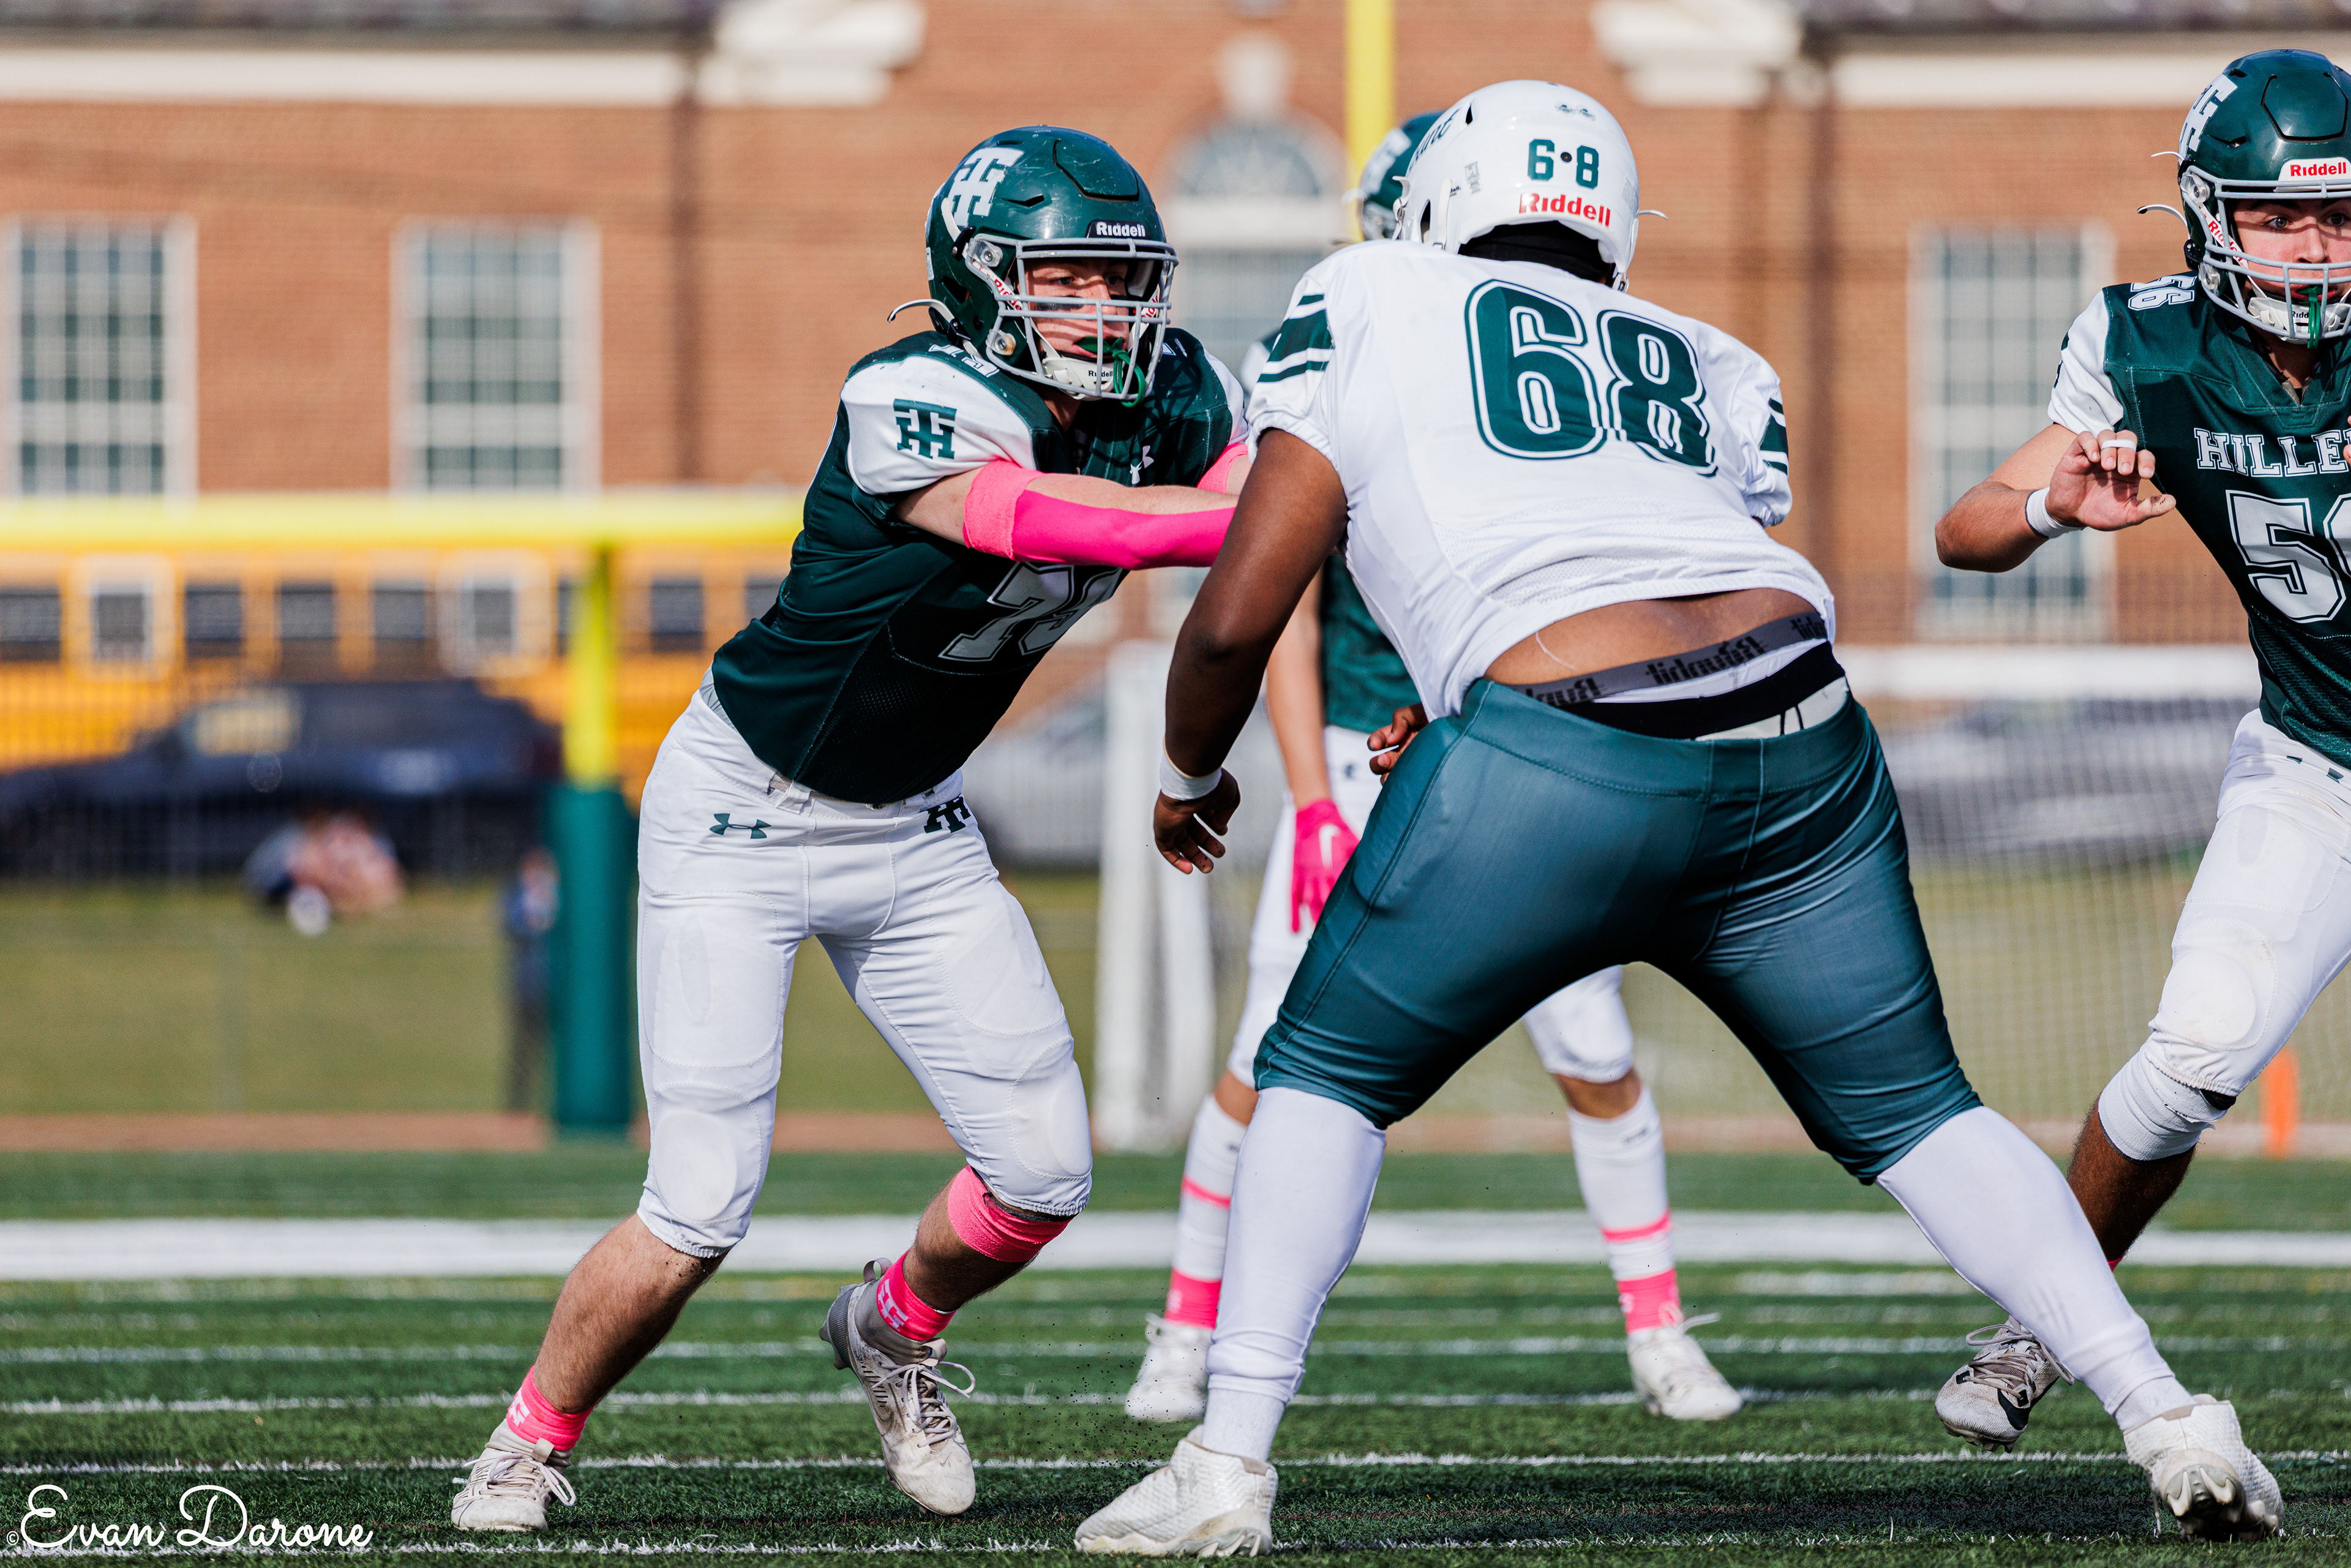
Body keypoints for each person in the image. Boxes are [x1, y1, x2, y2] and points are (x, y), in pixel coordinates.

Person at [1073, 79, 2281, 1555]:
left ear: (1439, 202)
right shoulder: (1708, 355)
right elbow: (1649, 565)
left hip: (1563, 756)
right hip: (1805, 739)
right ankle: (2169, 1418)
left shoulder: (1369, 292)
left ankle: (1225, 1462)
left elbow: (1237, 614)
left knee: (1320, 1074)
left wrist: (1191, 775)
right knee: (1924, 1117)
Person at [449, 125, 1251, 1531]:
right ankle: (526, 1440)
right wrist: (1274, 504)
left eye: (1121, 279)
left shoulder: (1176, 392)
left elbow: (1260, 493)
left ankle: (892, 1329)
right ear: (981, 278)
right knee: (700, 1206)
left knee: (1045, 1172)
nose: (1102, 310)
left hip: (916, 823)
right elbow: (1096, 529)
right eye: (1063, 278)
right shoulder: (911, 392)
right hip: (742, 814)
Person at [1123, 110, 1738, 1431]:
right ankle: (1184, 1325)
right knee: (1270, 1047)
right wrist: (1310, 797)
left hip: (1526, 743)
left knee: (1591, 1041)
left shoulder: (1561, 367)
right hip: (1367, 751)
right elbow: (1281, 609)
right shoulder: (1352, 352)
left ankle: (1659, 1329)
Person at [1930, 47, 2351, 1466]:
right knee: (2195, 1052)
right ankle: (2044, 1323)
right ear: (2207, 214)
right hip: (2319, 765)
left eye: (2339, 216)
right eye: (2282, 215)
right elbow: (1966, 530)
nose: (2316, 248)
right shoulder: (2148, 349)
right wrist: (2054, 505)